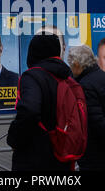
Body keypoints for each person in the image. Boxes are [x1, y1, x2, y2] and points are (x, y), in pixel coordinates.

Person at [7, 34, 73, 171]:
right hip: (62, 153)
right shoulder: (67, 76)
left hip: (35, 156)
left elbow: (29, 111)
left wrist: (14, 139)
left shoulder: (32, 76)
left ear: (34, 52)